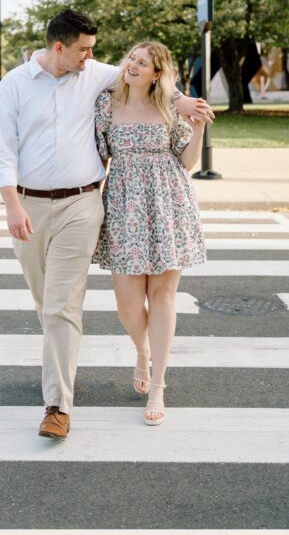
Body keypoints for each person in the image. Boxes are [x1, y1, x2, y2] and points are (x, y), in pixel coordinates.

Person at [0, 6, 211, 439]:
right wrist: (11, 204)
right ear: (60, 48)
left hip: (86, 205)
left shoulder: (94, 74)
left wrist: (182, 103)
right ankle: (88, 360)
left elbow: (158, 83)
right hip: (34, 206)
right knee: (48, 302)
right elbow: (1, 149)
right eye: (85, 50)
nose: (94, 58)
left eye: (94, 51)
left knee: (62, 305)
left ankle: (58, 405)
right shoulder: (15, 85)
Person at [93, 39, 208, 426]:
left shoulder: (169, 108)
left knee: (162, 296)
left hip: (168, 206)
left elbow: (188, 162)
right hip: (124, 209)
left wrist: (198, 129)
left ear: (157, 74)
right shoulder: (107, 103)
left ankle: (158, 384)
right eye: (132, 58)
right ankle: (142, 350)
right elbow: (96, 156)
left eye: (143, 62)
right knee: (128, 305)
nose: (133, 65)